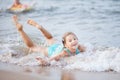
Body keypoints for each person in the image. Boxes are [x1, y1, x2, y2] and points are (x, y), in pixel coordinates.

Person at [12, 15, 86, 65]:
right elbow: (54, 57)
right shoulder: (64, 52)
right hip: (51, 50)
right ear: (66, 45)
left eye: (75, 39)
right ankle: (21, 30)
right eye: (70, 41)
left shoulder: (79, 47)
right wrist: (46, 61)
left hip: (57, 46)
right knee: (32, 46)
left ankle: (40, 27)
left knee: (50, 38)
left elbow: (92, 52)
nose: (73, 41)